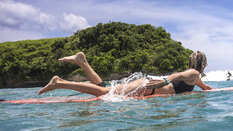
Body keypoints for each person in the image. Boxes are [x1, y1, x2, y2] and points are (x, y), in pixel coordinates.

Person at [38, 51, 212, 97]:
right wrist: (164, 81)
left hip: (148, 86)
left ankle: (82, 61)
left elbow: (205, 88)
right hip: (149, 87)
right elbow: (178, 76)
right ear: (202, 64)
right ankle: (59, 82)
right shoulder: (193, 73)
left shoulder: (195, 78)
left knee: (103, 88)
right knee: (106, 94)